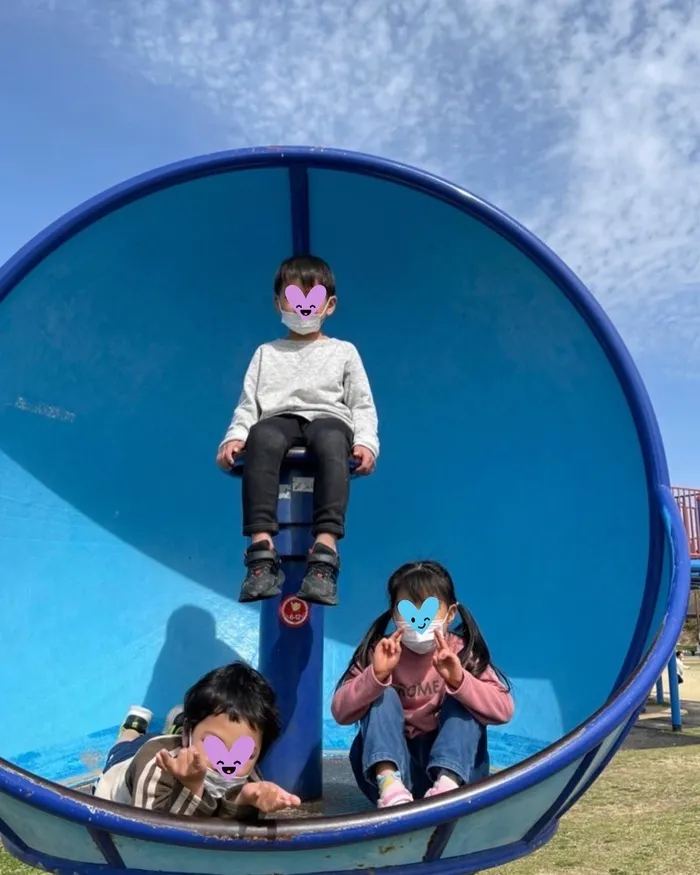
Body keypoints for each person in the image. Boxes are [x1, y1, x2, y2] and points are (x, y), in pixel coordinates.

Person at [216, 254, 379, 607]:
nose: (303, 306)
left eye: (313, 297)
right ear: (279, 302)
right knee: (263, 436)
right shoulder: (266, 353)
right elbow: (249, 404)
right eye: (294, 296)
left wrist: (366, 442)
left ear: (329, 305)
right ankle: (261, 550)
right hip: (279, 417)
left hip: (327, 417)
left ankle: (324, 549)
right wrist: (235, 436)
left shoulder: (343, 352)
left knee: (332, 438)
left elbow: (361, 404)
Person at [331, 560, 514, 808]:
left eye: (428, 610)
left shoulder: (461, 652)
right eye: (407, 610)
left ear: (450, 614)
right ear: (395, 613)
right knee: (382, 694)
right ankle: (390, 785)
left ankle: (447, 784)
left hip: (457, 771)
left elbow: (504, 710)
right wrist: (375, 676)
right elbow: (340, 712)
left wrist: (459, 680)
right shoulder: (381, 652)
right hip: (396, 769)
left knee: (463, 703)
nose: (419, 620)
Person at [93, 662, 300, 818]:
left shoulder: (250, 779)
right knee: (126, 746)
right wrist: (191, 786)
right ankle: (131, 728)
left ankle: (178, 723)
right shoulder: (155, 766)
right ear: (188, 734)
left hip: (183, 741)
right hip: (124, 768)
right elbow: (154, 836)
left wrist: (245, 800)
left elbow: (225, 838)